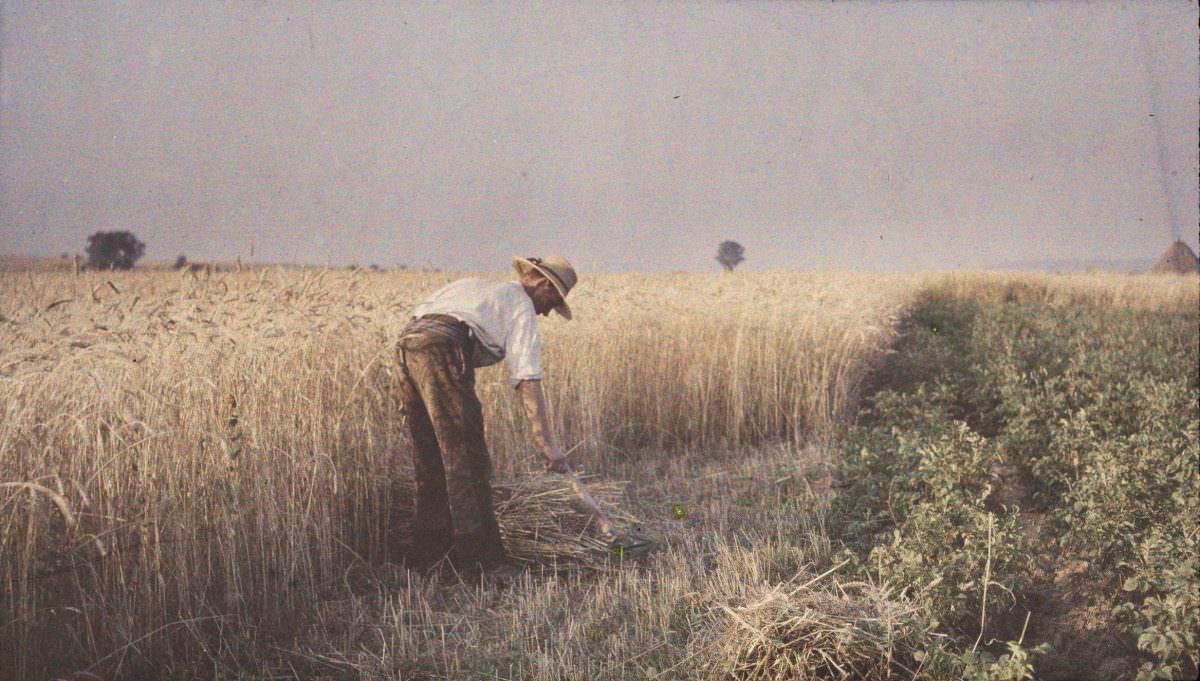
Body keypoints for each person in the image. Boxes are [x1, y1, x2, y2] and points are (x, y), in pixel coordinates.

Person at [395, 255, 577, 582]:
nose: (549, 311)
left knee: (430, 458)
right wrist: (548, 445)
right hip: (443, 348)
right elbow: (527, 379)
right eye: (554, 300)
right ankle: (484, 563)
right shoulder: (520, 305)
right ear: (543, 283)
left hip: (408, 346)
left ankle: (428, 557)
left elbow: (421, 320)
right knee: (467, 458)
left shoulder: (473, 286)